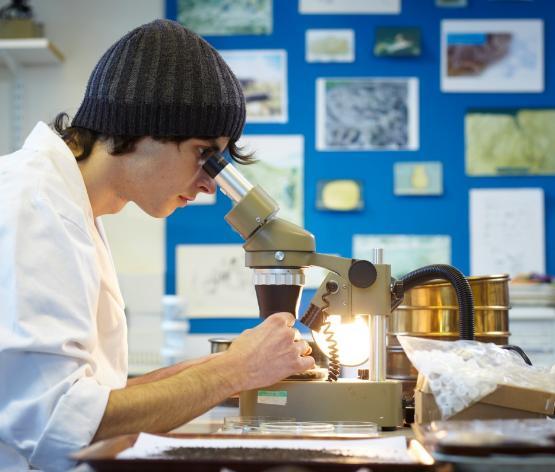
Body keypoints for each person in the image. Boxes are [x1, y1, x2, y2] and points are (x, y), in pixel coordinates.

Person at [0, 19, 315, 471]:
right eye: (205, 154)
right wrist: (235, 370)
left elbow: (95, 401)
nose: (210, 186)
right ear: (140, 128)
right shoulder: (32, 205)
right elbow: (59, 425)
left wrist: (242, 365)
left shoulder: (69, 205)